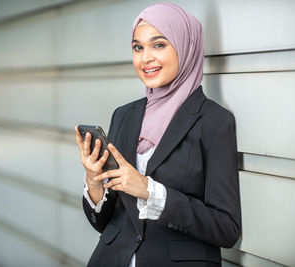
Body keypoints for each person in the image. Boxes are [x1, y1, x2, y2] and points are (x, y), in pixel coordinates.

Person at [74, 2, 241, 267]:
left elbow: (227, 229)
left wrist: (151, 192)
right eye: (138, 47)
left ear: (186, 46)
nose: (145, 58)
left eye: (159, 45)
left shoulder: (215, 122)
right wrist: (95, 183)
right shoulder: (124, 115)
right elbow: (105, 223)